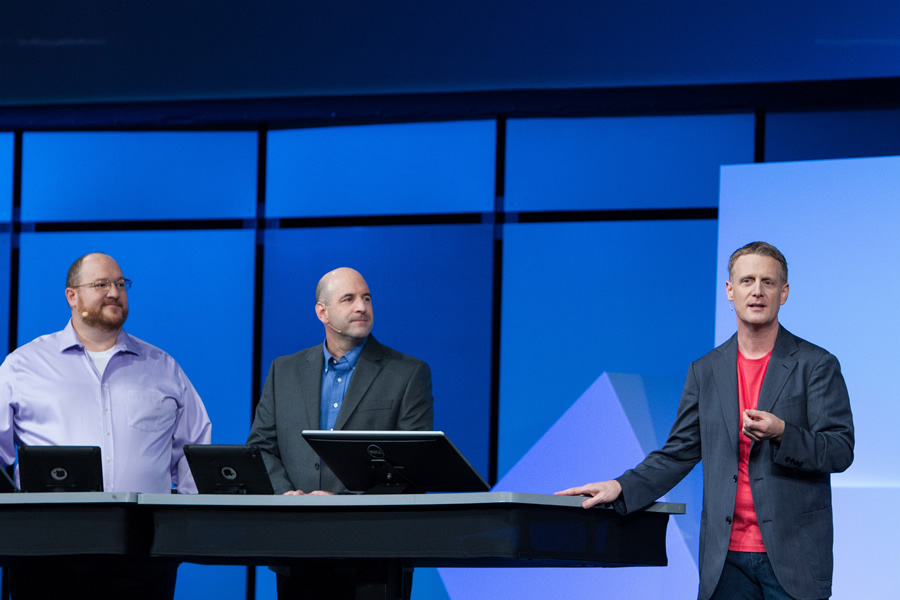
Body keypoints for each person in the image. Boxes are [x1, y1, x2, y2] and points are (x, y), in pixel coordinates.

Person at [557, 241, 854, 600]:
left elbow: (839, 449)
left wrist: (781, 433)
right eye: (747, 281)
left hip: (794, 558)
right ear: (730, 290)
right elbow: (678, 452)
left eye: (768, 282)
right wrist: (621, 487)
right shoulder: (706, 370)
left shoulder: (816, 364)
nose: (757, 291)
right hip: (725, 560)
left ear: (784, 292)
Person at [0, 252, 212, 600]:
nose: (114, 292)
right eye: (101, 284)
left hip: (143, 553)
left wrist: (185, 532)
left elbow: (195, 452)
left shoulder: (163, 367)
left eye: (120, 284)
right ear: (72, 296)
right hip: (45, 549)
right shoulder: (23, 365)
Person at [247, 266, 434, 598]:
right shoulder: (283, 371)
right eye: (349, 299)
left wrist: (344, 503)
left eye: (366, 298)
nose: (362, 307)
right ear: (323, 312)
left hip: (374, 554)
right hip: (297, 548)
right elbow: (261, 446)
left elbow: (411, 468)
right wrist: (286, 496)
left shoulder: (408, 373)